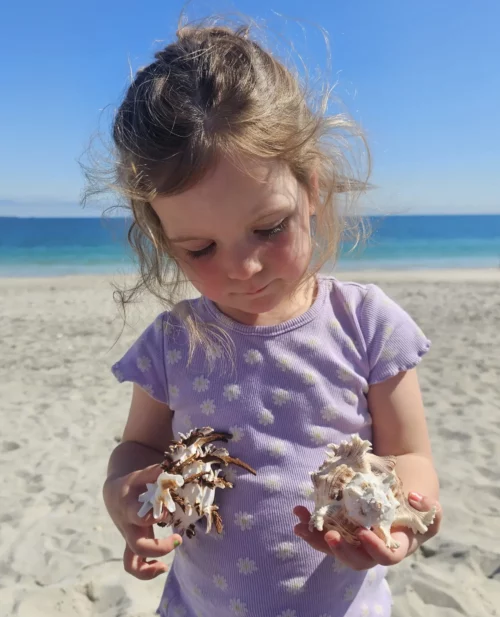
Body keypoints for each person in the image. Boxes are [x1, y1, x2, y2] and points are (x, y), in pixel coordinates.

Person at [98, 20, 441, 617]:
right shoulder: (174, 342)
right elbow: (136, 447)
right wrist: (126, 500)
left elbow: (412, 458)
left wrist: (401, 523)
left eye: (269, 227)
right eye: (200, 249)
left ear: (311, 188)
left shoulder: (366, 324)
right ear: (163, 237)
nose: (245, 267)